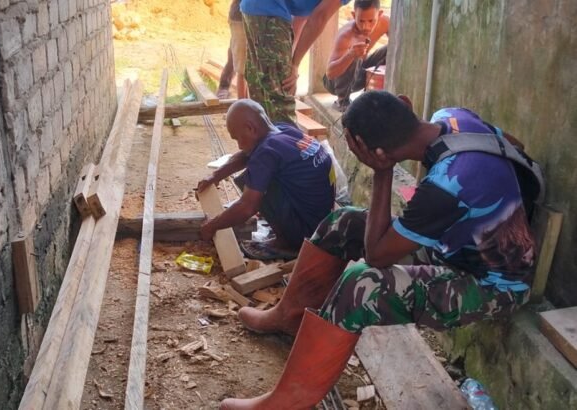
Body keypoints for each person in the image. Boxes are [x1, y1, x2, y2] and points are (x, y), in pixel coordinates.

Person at [221, 91, 539, 409]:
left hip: (493, 286)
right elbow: (515, 145)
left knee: (361, 285)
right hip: (456, 248)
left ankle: (290, 400)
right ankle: (288, 316)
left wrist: (382, 172)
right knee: (342, 222)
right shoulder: (454, 117)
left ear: (377, 153)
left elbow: (377, 257)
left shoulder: (446, 186)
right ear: (405, 105)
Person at [197, 99, 336, 260]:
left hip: (307, 233)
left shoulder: (266, 152)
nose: (239, 146)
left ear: (250, 128)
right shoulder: (284, 131)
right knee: (258, 173)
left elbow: (247, 208)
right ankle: (289, 234)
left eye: (237, 138)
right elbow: (247, 155)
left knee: (255, 181)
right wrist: (215, 175)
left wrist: (212, 226)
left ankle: (286, 243)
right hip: (323, 224)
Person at [240, 0, 351, 123]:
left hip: (254, 8)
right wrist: (294, 64)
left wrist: (291, 62)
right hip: (270, 12)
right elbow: (319, 18)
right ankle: (283, 134)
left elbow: (300, 18)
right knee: (281, 99)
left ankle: (260, 133)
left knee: (260, 95)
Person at [324, 0, 390, 112]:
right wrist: (350, 54)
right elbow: (329, 74)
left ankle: (380, 94)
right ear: (354, 15)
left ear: (379, 14)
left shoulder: (385, 23)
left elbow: (399, 46)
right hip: (334, 83)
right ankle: (342, 101)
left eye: (371, 21)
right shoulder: (346, 35)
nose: (366, 27)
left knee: (391, 49)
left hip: (360, 75)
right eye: (361, 21)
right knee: (355, 56)